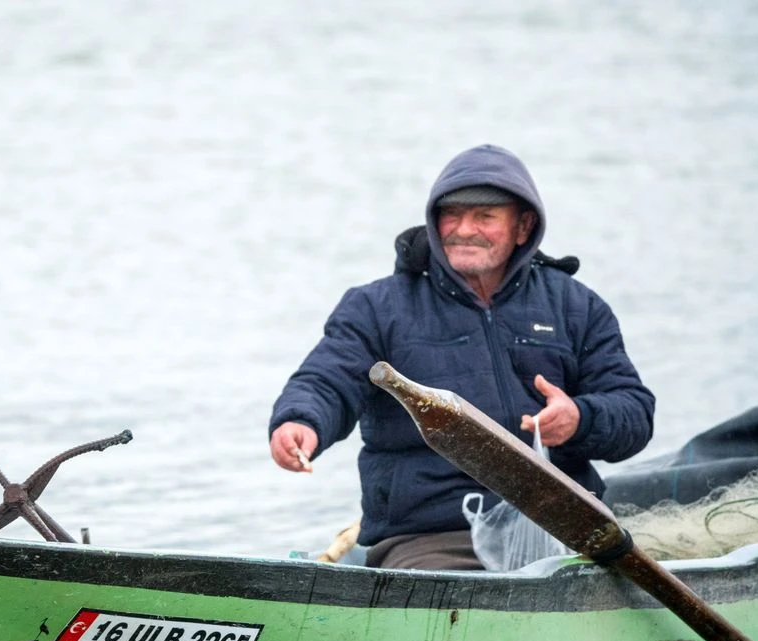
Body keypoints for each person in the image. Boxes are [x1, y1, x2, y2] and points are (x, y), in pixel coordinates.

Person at [268, 144, 655, 570]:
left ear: (523, 227)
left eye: (485, 217)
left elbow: (634, 412)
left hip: (565, 527)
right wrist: (299, 422)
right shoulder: (376, 307)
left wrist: (579, 418)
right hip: (430, 535)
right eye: (452, 215)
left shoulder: (576, 306)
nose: (464, 229)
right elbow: (326, 380)